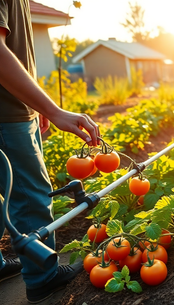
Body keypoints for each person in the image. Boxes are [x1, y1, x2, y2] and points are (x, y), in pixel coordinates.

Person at [0, 1, 100, 303]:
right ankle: (43, 278)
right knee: (30, 195)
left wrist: (36, 102)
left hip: (15, 106)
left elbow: (16, 52)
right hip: (6, 114)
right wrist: (50, 108)